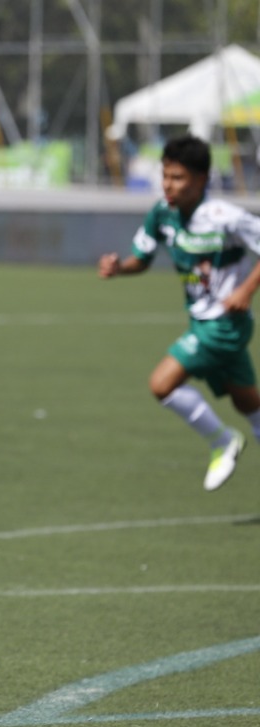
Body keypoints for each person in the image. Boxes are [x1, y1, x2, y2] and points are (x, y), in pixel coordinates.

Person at [98, 134, 260, 491]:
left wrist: (245, 291)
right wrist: (119, 268)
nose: (168, 185)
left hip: (223, 325)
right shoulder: (163, 213)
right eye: (165, 176)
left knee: (162, 384)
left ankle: (222, 440)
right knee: (247, 401)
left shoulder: (223, 217)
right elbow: (141, 259)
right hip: (202, 320)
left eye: (178, 178)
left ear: (201, 180)